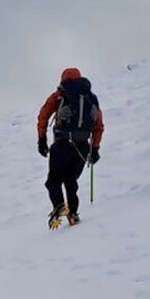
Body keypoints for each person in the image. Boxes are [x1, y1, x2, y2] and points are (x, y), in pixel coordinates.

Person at [37, 67, 105, 228]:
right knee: (70, 181)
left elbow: (43, 115)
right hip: (82, 147)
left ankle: (59, 205)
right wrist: (94, 149)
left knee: (53, 181)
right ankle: (73, 213)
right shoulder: (91, 99)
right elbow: (99, 126)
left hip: (62, 144)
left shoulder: (60, 95)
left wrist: (41, 139)